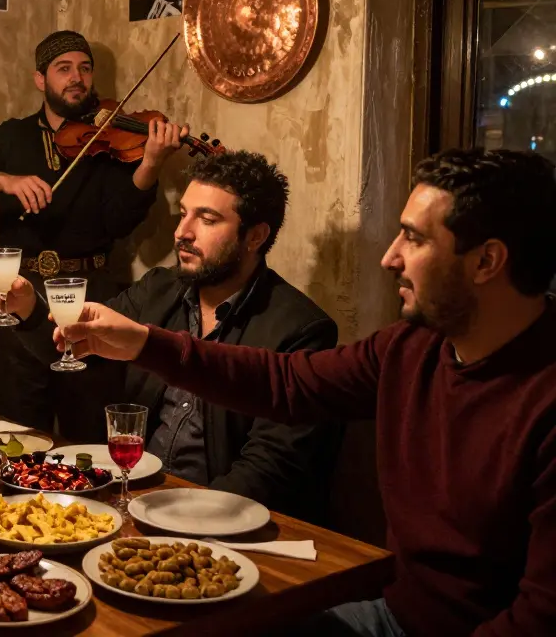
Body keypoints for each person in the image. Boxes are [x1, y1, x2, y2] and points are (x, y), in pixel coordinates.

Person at [52, 148, 556, 636]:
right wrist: (143, 342)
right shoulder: (414, 346)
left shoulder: (542, 397)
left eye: (414, 238)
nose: (389, 258)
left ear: (486, 261)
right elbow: (286, 382)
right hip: (392, 612)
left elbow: (541, 616)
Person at [0, 150, 342, 520]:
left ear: (255, 236)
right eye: (184, 213)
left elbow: (269, 468)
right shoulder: (159, 288)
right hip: (136, 495)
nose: (182, 232)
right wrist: (27, 308)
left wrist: (180, 521)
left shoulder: (300, 328)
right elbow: (76, 349)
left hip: (218, 517)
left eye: (207, 219)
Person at [0, 30, 184, 442]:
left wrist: (152, 164)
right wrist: (4, 180)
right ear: (41, 80)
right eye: (64, 68)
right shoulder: (12, 136)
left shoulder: (109, 140)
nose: (77, 78)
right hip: (15, 298)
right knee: (10, 435)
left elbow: (119, 222)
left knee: (87, 434)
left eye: (85, 68)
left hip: (91, 298)